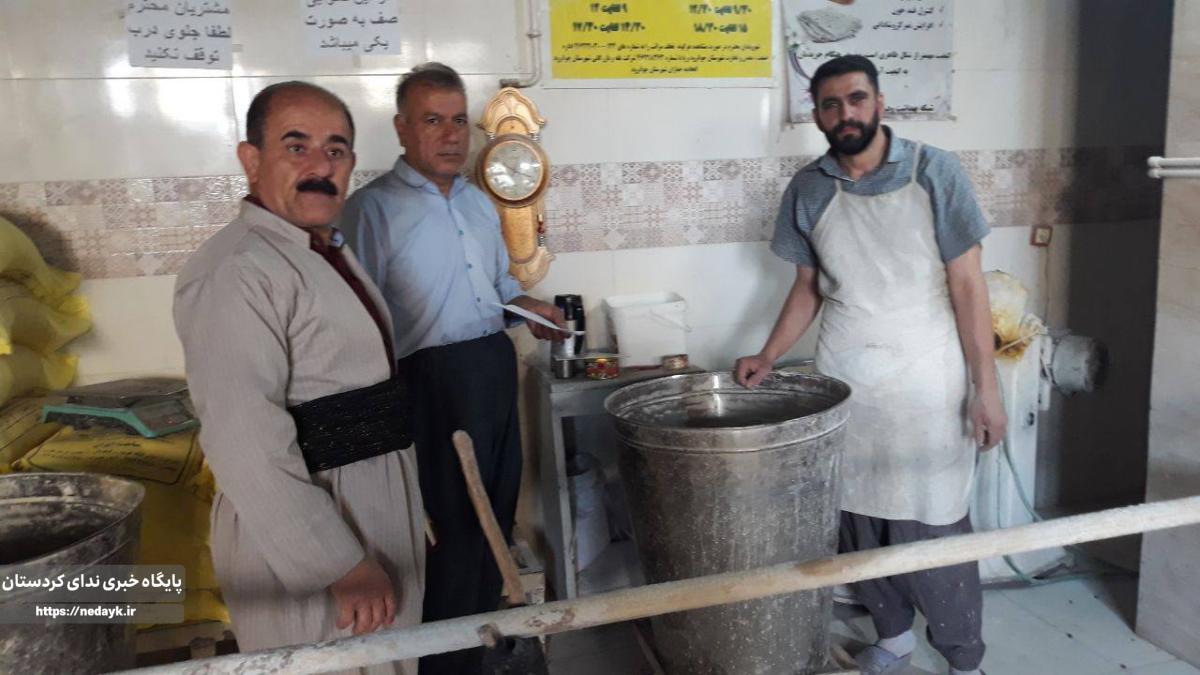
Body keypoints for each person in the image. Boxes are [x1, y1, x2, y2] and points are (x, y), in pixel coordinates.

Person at [735, 55, 1006, 675]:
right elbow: (808, 287)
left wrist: (985, 388)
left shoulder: (934, 171)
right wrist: (768, 355)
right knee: (858, 517)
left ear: (880, 104)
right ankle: (894, 639)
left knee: (933, 526)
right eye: (831, 104)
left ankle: (964, 661)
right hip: (848, 380)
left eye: (856, 99)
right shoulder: (809, 187)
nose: (845, 113)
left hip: (928, 377)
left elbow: (969, 285)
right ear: (817, 116)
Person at [174, 81, 424, 675]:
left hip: (371, 507)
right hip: (310, 530)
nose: (320, 166)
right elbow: (242, 438)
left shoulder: (319, 250)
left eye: (335, 150)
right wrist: (335, 563)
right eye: (296, 147)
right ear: (251, 159)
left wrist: (406, 504)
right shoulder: (238, 269)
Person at [339, 62, 563, 675]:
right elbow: (363, 321)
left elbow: (495, 291)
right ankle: (443, 665)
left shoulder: (478, 204)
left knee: (496, 519)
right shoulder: (371, 211)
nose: (450, 135)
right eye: (432, 120)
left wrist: (530, 309)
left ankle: (478, 653)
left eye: (459, 120)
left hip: (492, 370)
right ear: (402, 129)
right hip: (428, 387)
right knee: (450, 534)